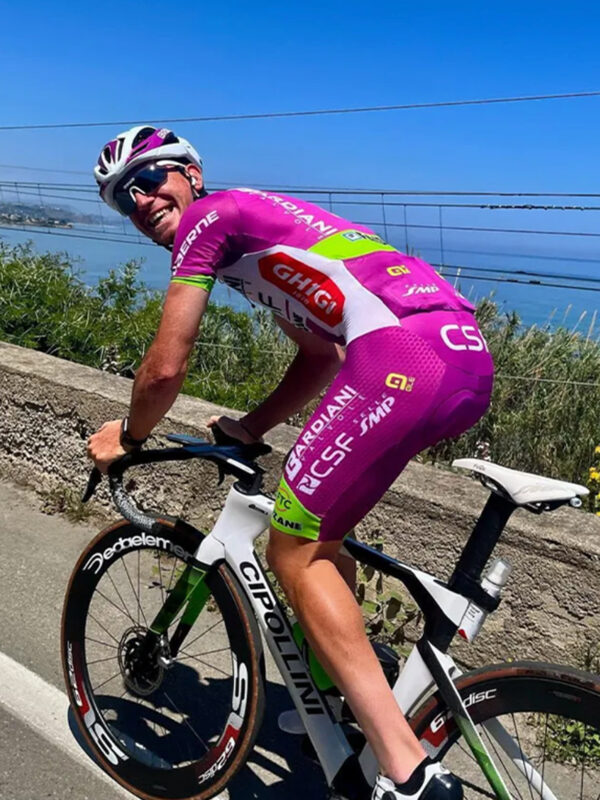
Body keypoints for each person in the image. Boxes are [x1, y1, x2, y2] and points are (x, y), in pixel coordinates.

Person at [89, 125, 494, 800]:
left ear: (191, 174)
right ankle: (346, 699)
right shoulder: (252, 230)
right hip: (459, 356)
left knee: (293, 553)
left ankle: (408, 774)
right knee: (322, 535)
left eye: (149, 179)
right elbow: (319, 355)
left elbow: (164, 369)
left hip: (402, 355)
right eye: (122, 200)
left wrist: (128, 435)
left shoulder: (210, 221)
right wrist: (252, 425)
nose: (140, 202)